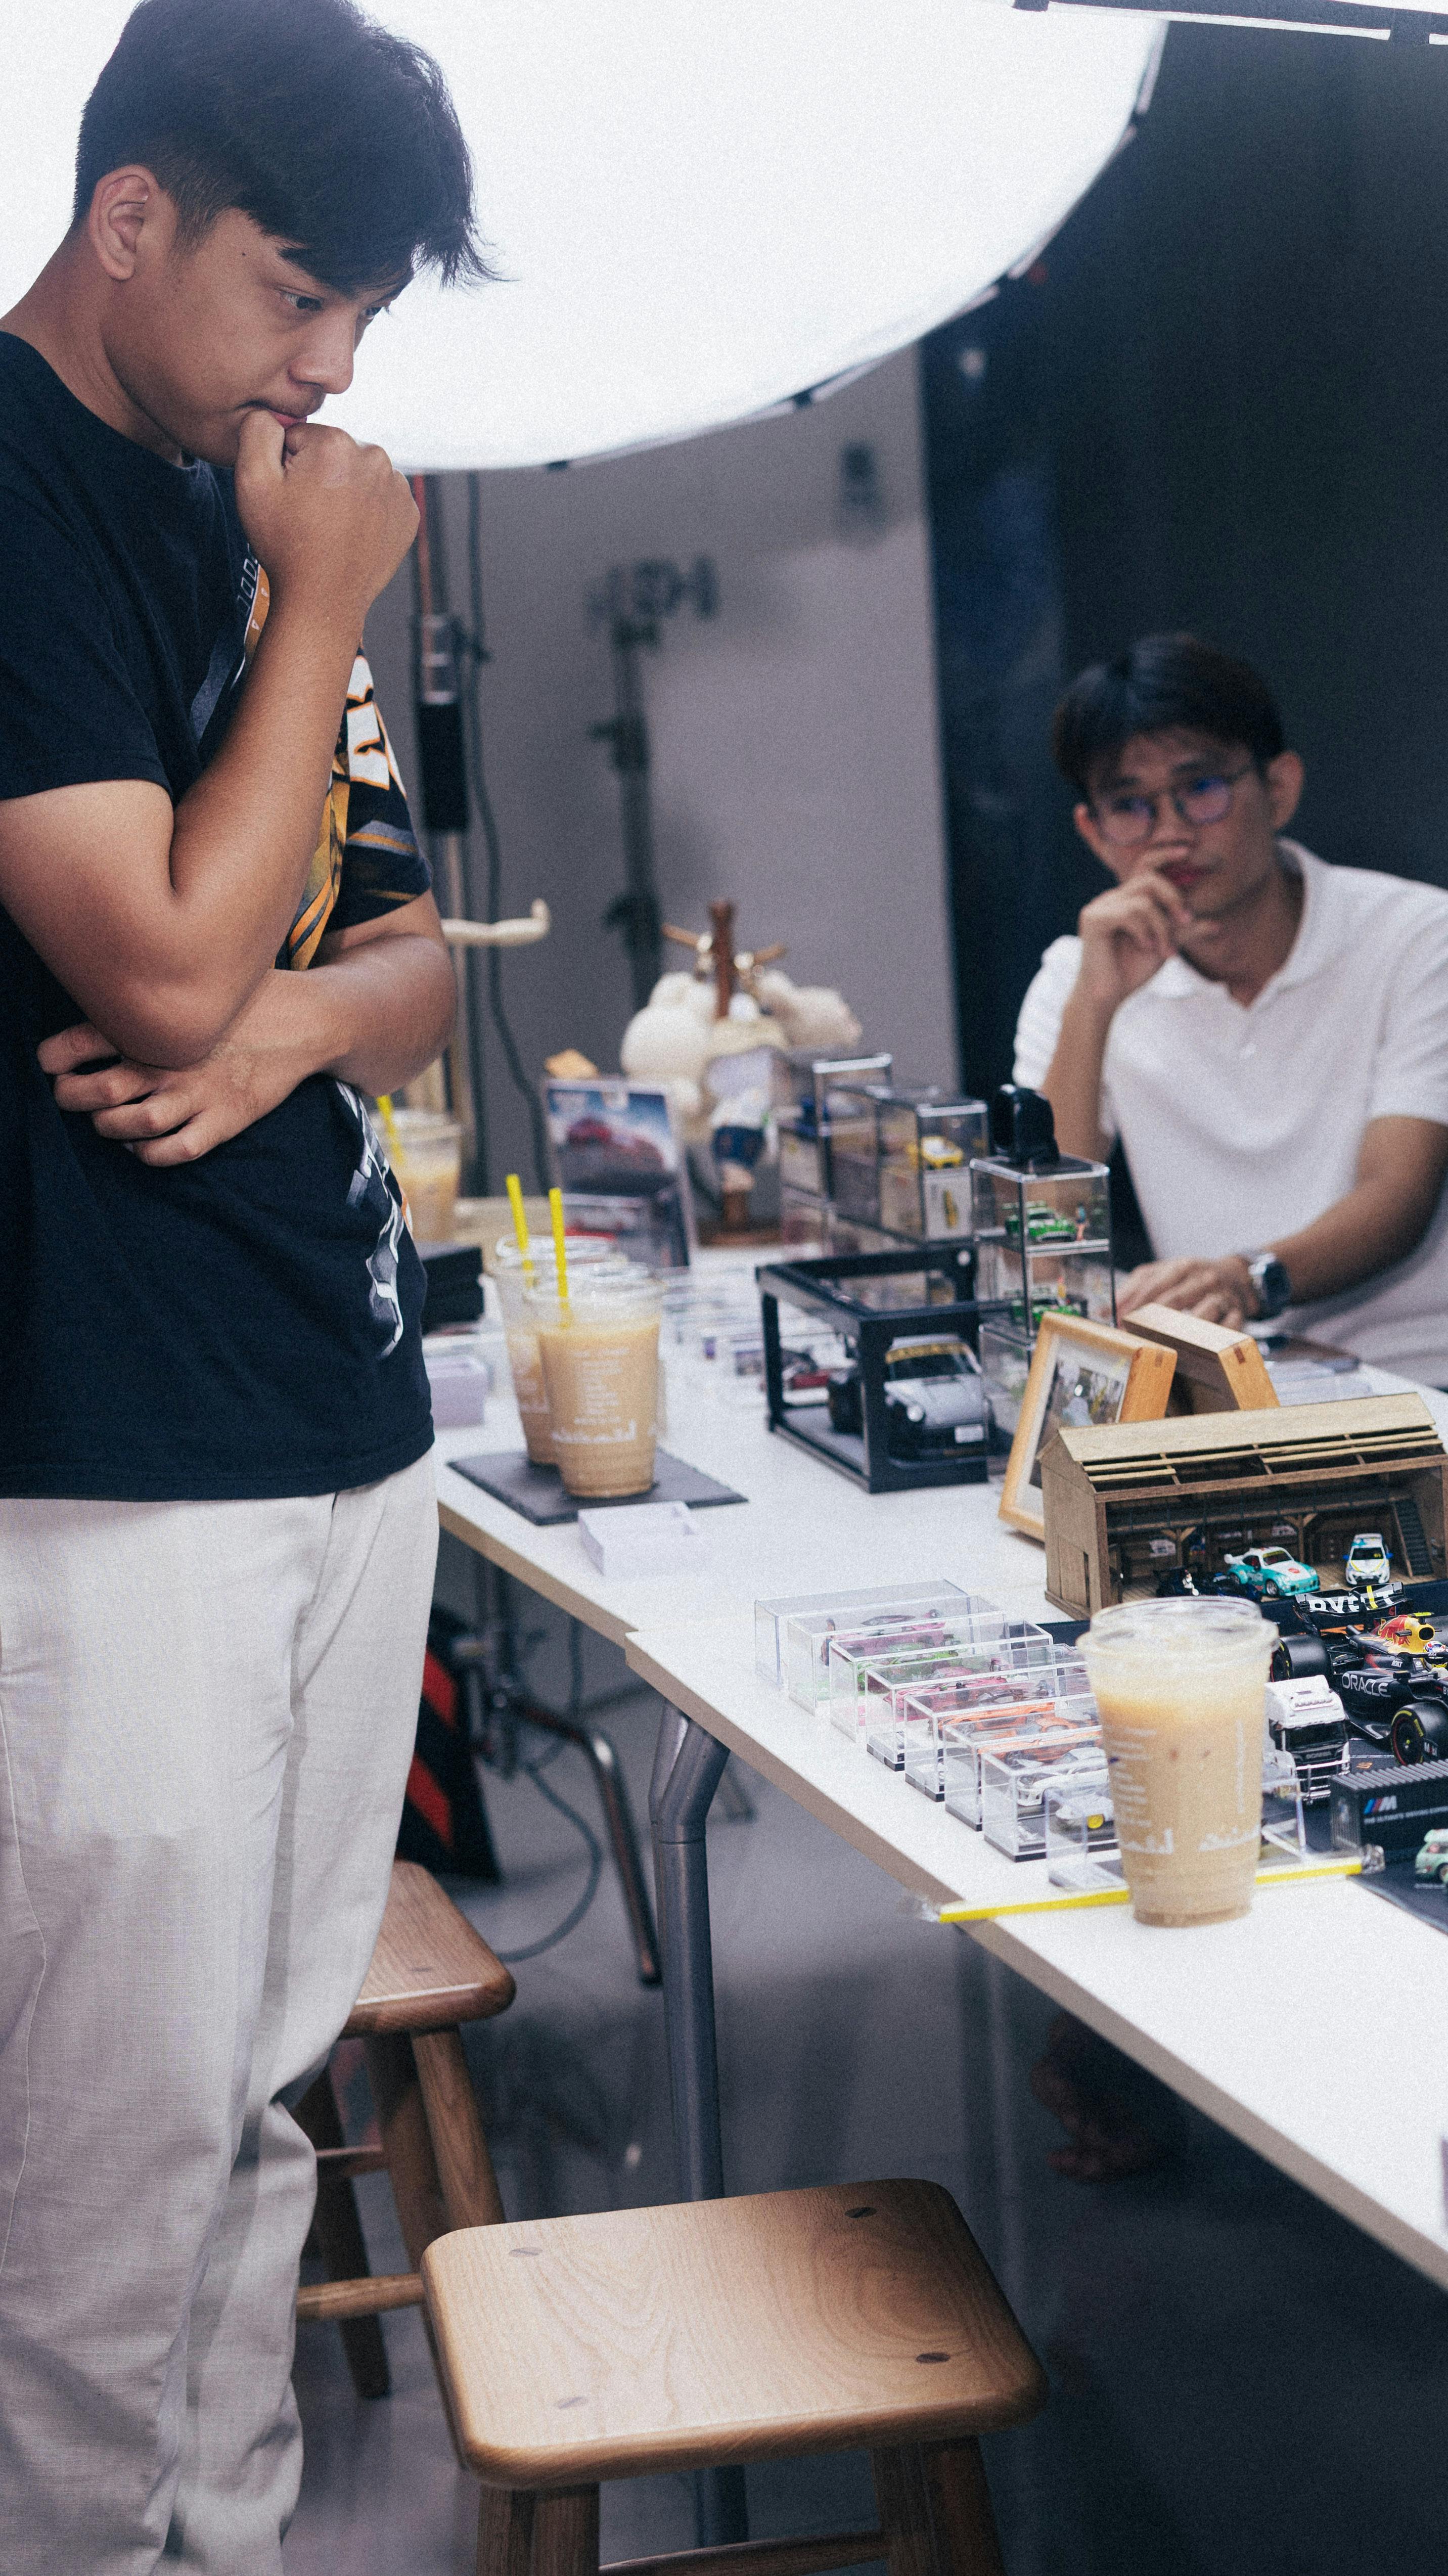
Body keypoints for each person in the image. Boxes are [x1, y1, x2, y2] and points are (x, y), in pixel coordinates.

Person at [0, 2, 475, 2562]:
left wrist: (289, 1020)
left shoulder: (244, 494)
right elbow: (161, 977)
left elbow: (399, 971)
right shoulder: (42, 492)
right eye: (303, 295)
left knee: (258, 2112)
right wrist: (316, 602)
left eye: (371, 319)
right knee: (104, 2165)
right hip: (100, 1451)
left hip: (331, 1394)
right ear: (132, 216)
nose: (331, 367)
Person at [1012, 634, 1448, 1422]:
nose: (1170, 834)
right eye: (1130, 806)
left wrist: (1243, 1277)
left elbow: (1397, 1195)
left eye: (1200, 788)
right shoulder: (1078, 971)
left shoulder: (1424, 934)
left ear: (1279, 788)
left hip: (1438, 1378)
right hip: (1227, 1392)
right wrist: (1095, 1005)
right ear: (1093, 833)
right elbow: (1047, 1227)